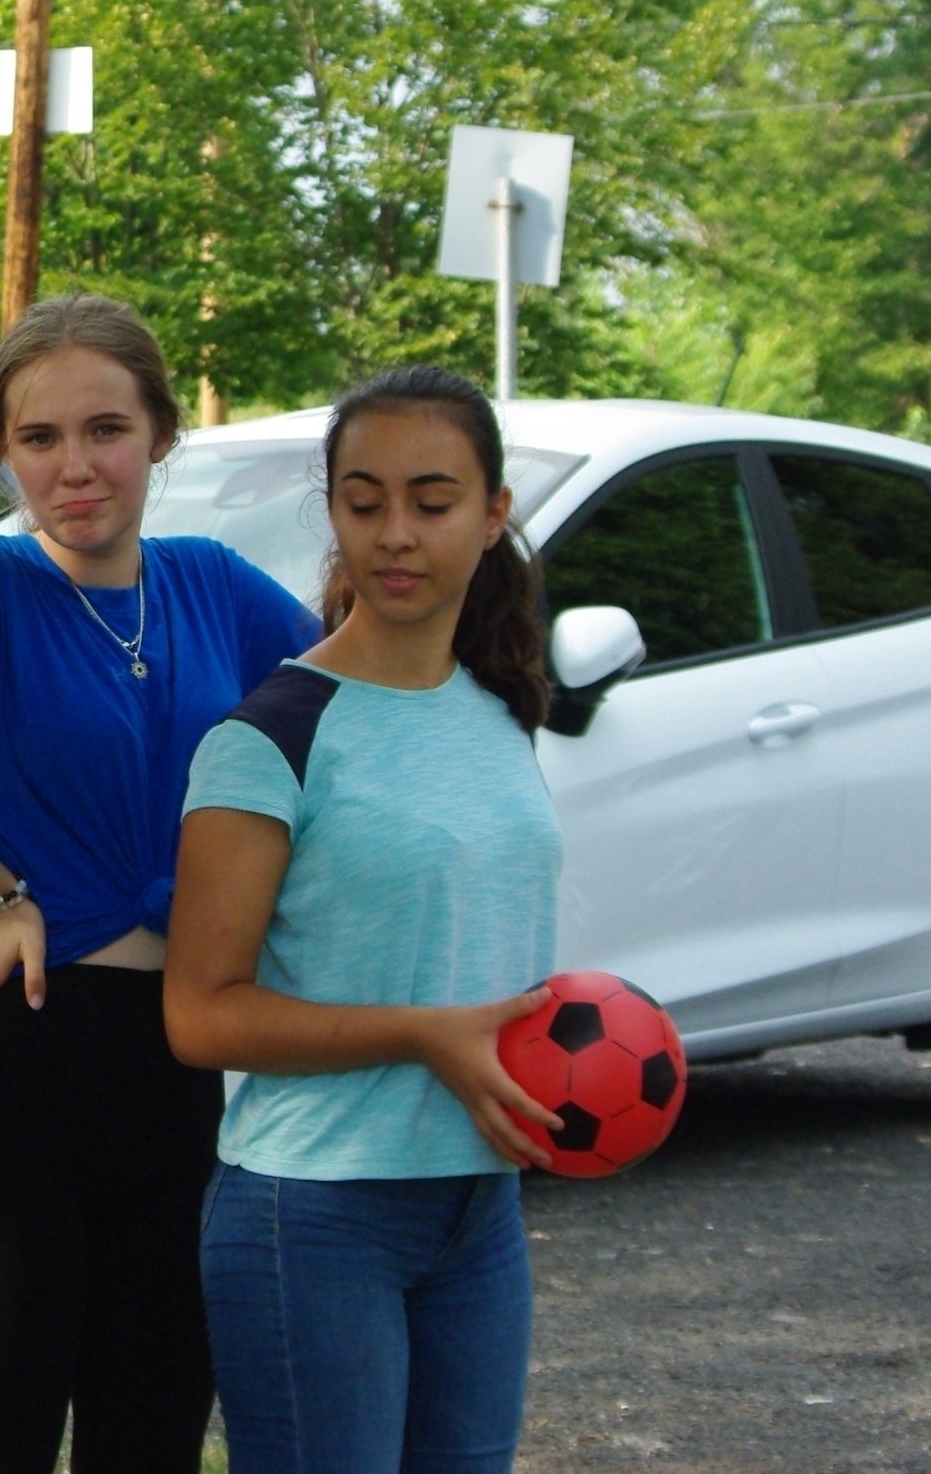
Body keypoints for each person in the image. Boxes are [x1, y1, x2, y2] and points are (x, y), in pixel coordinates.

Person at [0, 293, 316, 1472]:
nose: (74, 467)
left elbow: (350, 725)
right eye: (39, 438)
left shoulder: (212, 584)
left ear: (161, 435)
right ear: (0, 450)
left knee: (152, 1429)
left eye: (106, 431)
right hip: (10, 1059)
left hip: (174, 1058)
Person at [164, 364, 564, 1474]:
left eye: (432, 503)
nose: (395, 534)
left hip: (476, 1213)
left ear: (492, 513)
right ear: (331, 510)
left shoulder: (498, 709)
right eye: (363, 500)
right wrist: (423, 1036)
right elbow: (200, 1017)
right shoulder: (267, 738)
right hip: (312, 1214)